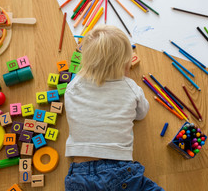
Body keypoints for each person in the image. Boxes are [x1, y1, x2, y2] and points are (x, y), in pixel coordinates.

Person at [64, 25, 164, 191]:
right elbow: (142, 114)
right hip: (117, 170)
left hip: (79, 175)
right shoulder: (130, 87)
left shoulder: (73, 86)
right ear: (125, 65)